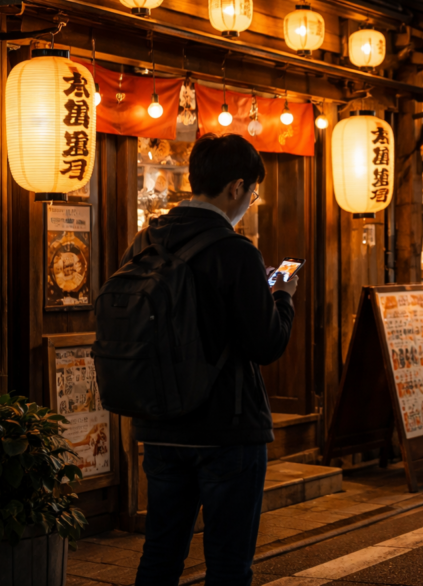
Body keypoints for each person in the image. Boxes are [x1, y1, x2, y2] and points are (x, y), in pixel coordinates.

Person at [133, 134, 297, 586]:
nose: (249, 201)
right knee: (227, 563)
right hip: (227, 426)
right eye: (252, 192)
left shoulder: (146, 240)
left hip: (160, 424)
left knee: (160, 554)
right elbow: (266, 344)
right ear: (236, 187)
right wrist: (282, 297)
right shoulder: (236, 251)